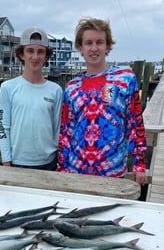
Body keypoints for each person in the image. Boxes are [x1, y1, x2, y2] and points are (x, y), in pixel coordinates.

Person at [58, 18, 147, 185]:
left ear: (107, 46)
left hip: (112, 171)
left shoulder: (124, 79)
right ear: (80, 48)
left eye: (99, 42)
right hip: (76, 171)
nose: (94, 48)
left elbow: (135, 123)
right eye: (88, 43)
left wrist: (139, 163)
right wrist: (62, 167)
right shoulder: (71, 88)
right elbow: (66, 131)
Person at [0, 27, 63, 170]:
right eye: (30, 51)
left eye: (40, 52)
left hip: (49, 162)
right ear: (21, 54)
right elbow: (3, 127)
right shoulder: (7, 88)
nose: (35, 56)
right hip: (18, 162)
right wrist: (6, 161)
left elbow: (57, 129)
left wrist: (60, 159)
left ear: (46, 56)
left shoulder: (56, 90)